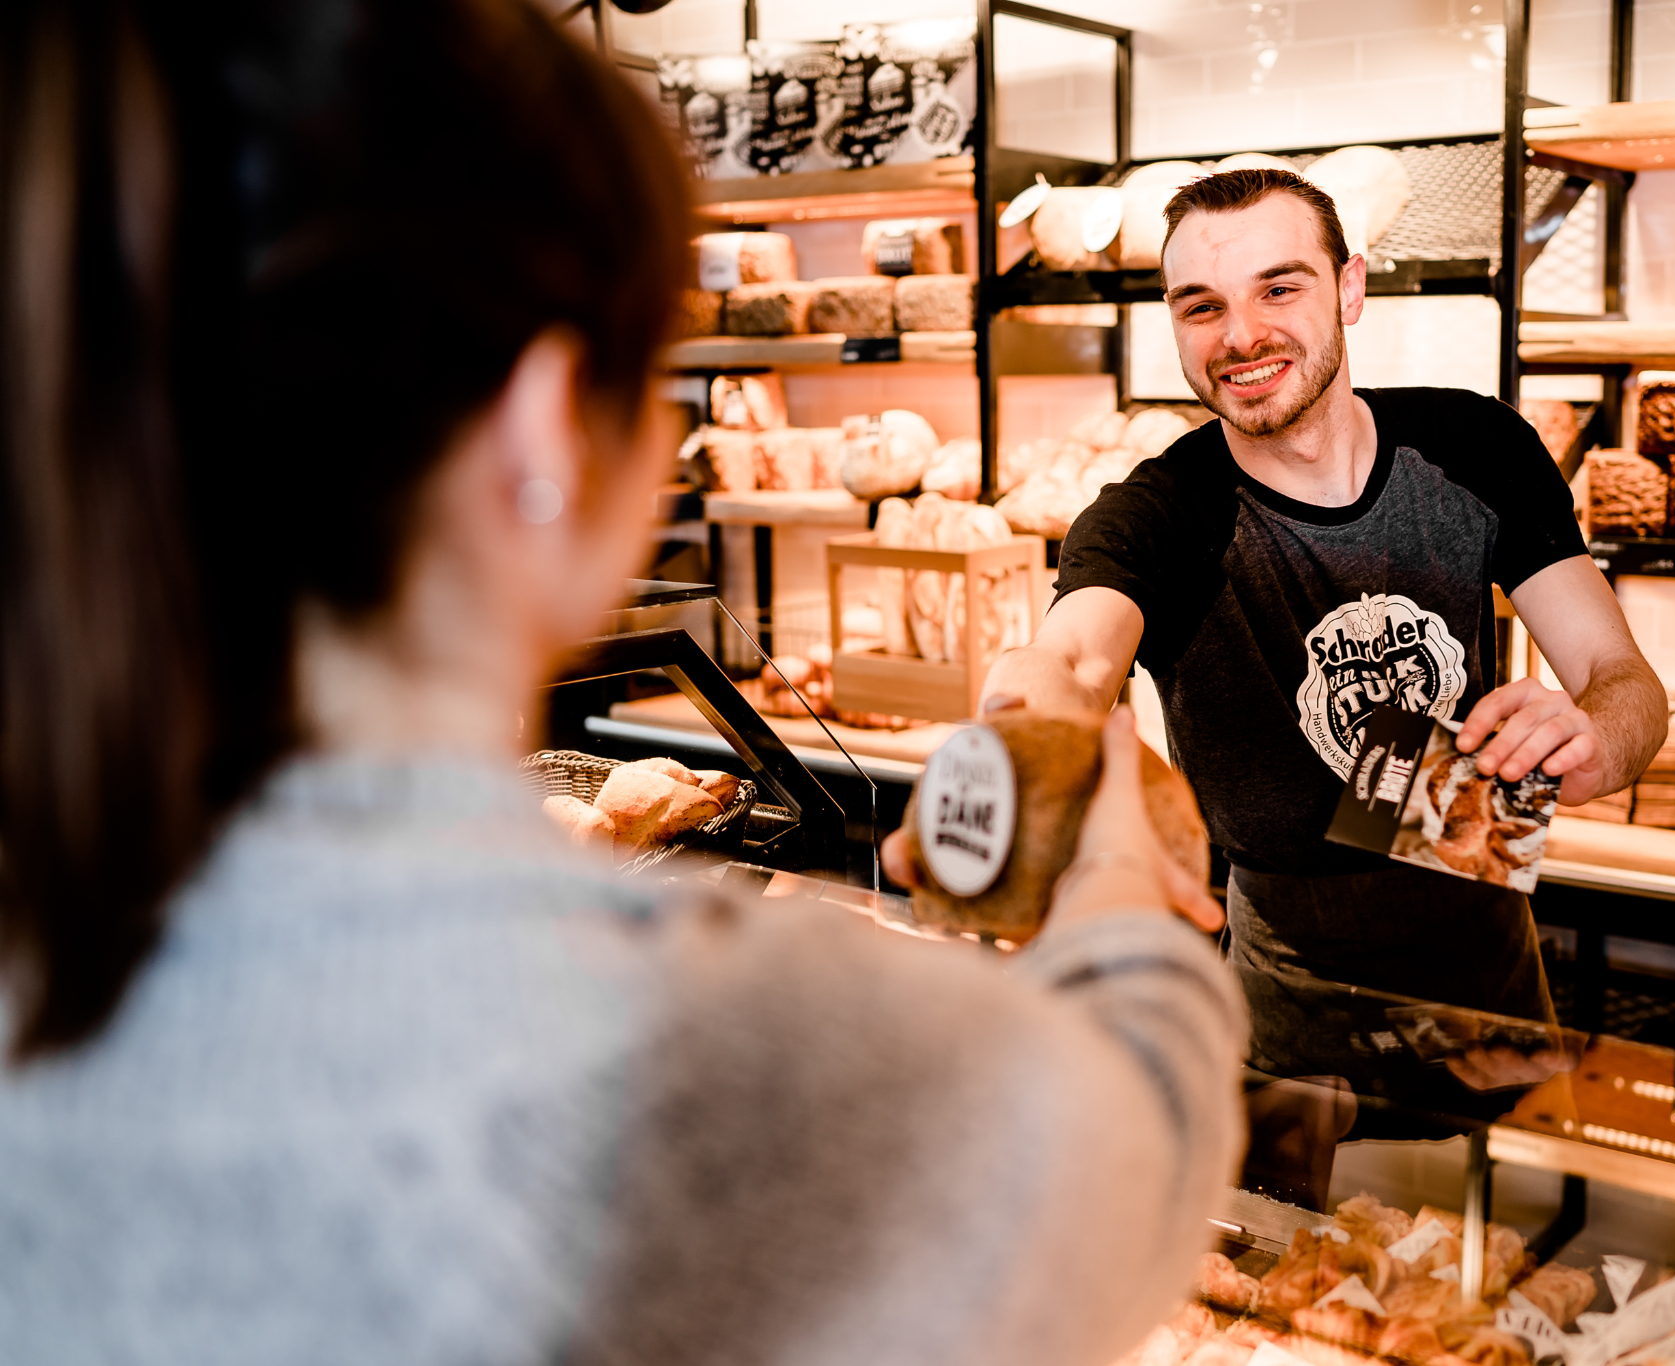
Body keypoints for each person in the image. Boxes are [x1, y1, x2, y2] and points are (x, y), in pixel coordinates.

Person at [0, 4, 1244, 1362]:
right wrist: (1116, 883)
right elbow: (1136, 1137)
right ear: (542, 439)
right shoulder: (691, 1052)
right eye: (654, 378)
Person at [981, 168, 1667, 1114]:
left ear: (1349, 288)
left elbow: (1620, 677)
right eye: (1201, 306)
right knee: (1284, 1211)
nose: (1240, 336)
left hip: (1484, 960)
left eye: (1278, 288)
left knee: (1498, 1206)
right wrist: (1027, 721)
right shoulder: (1158, 513)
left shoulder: (1475, 447)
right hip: (1283, 993)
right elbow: (1068, 661)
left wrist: (1599, 742)